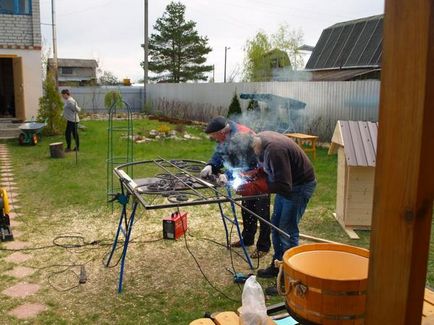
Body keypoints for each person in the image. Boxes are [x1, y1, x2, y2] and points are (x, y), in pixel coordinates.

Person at [234, 131, 316, 291]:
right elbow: (267, 169)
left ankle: (289, 278)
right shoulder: (259, 141)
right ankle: (278, 265)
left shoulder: (274, 151)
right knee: (276, 226)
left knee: (287, 231)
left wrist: (256, 187)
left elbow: (285, 185)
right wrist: (252, 175)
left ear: (253, 148)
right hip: (289, 185)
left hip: (299, 187)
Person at [200, 116, 271, 258]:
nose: (214, 139)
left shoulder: (242, 136)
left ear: (221, 132)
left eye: (214, 136)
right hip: (246, 174)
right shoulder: (226, 134)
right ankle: (247, 239)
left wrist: (227, 175)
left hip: (260, 172)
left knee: (262, 211)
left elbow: (243, 162)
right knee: (247, 208)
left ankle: (263, 246)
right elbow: (220, 152)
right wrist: (211, 165)